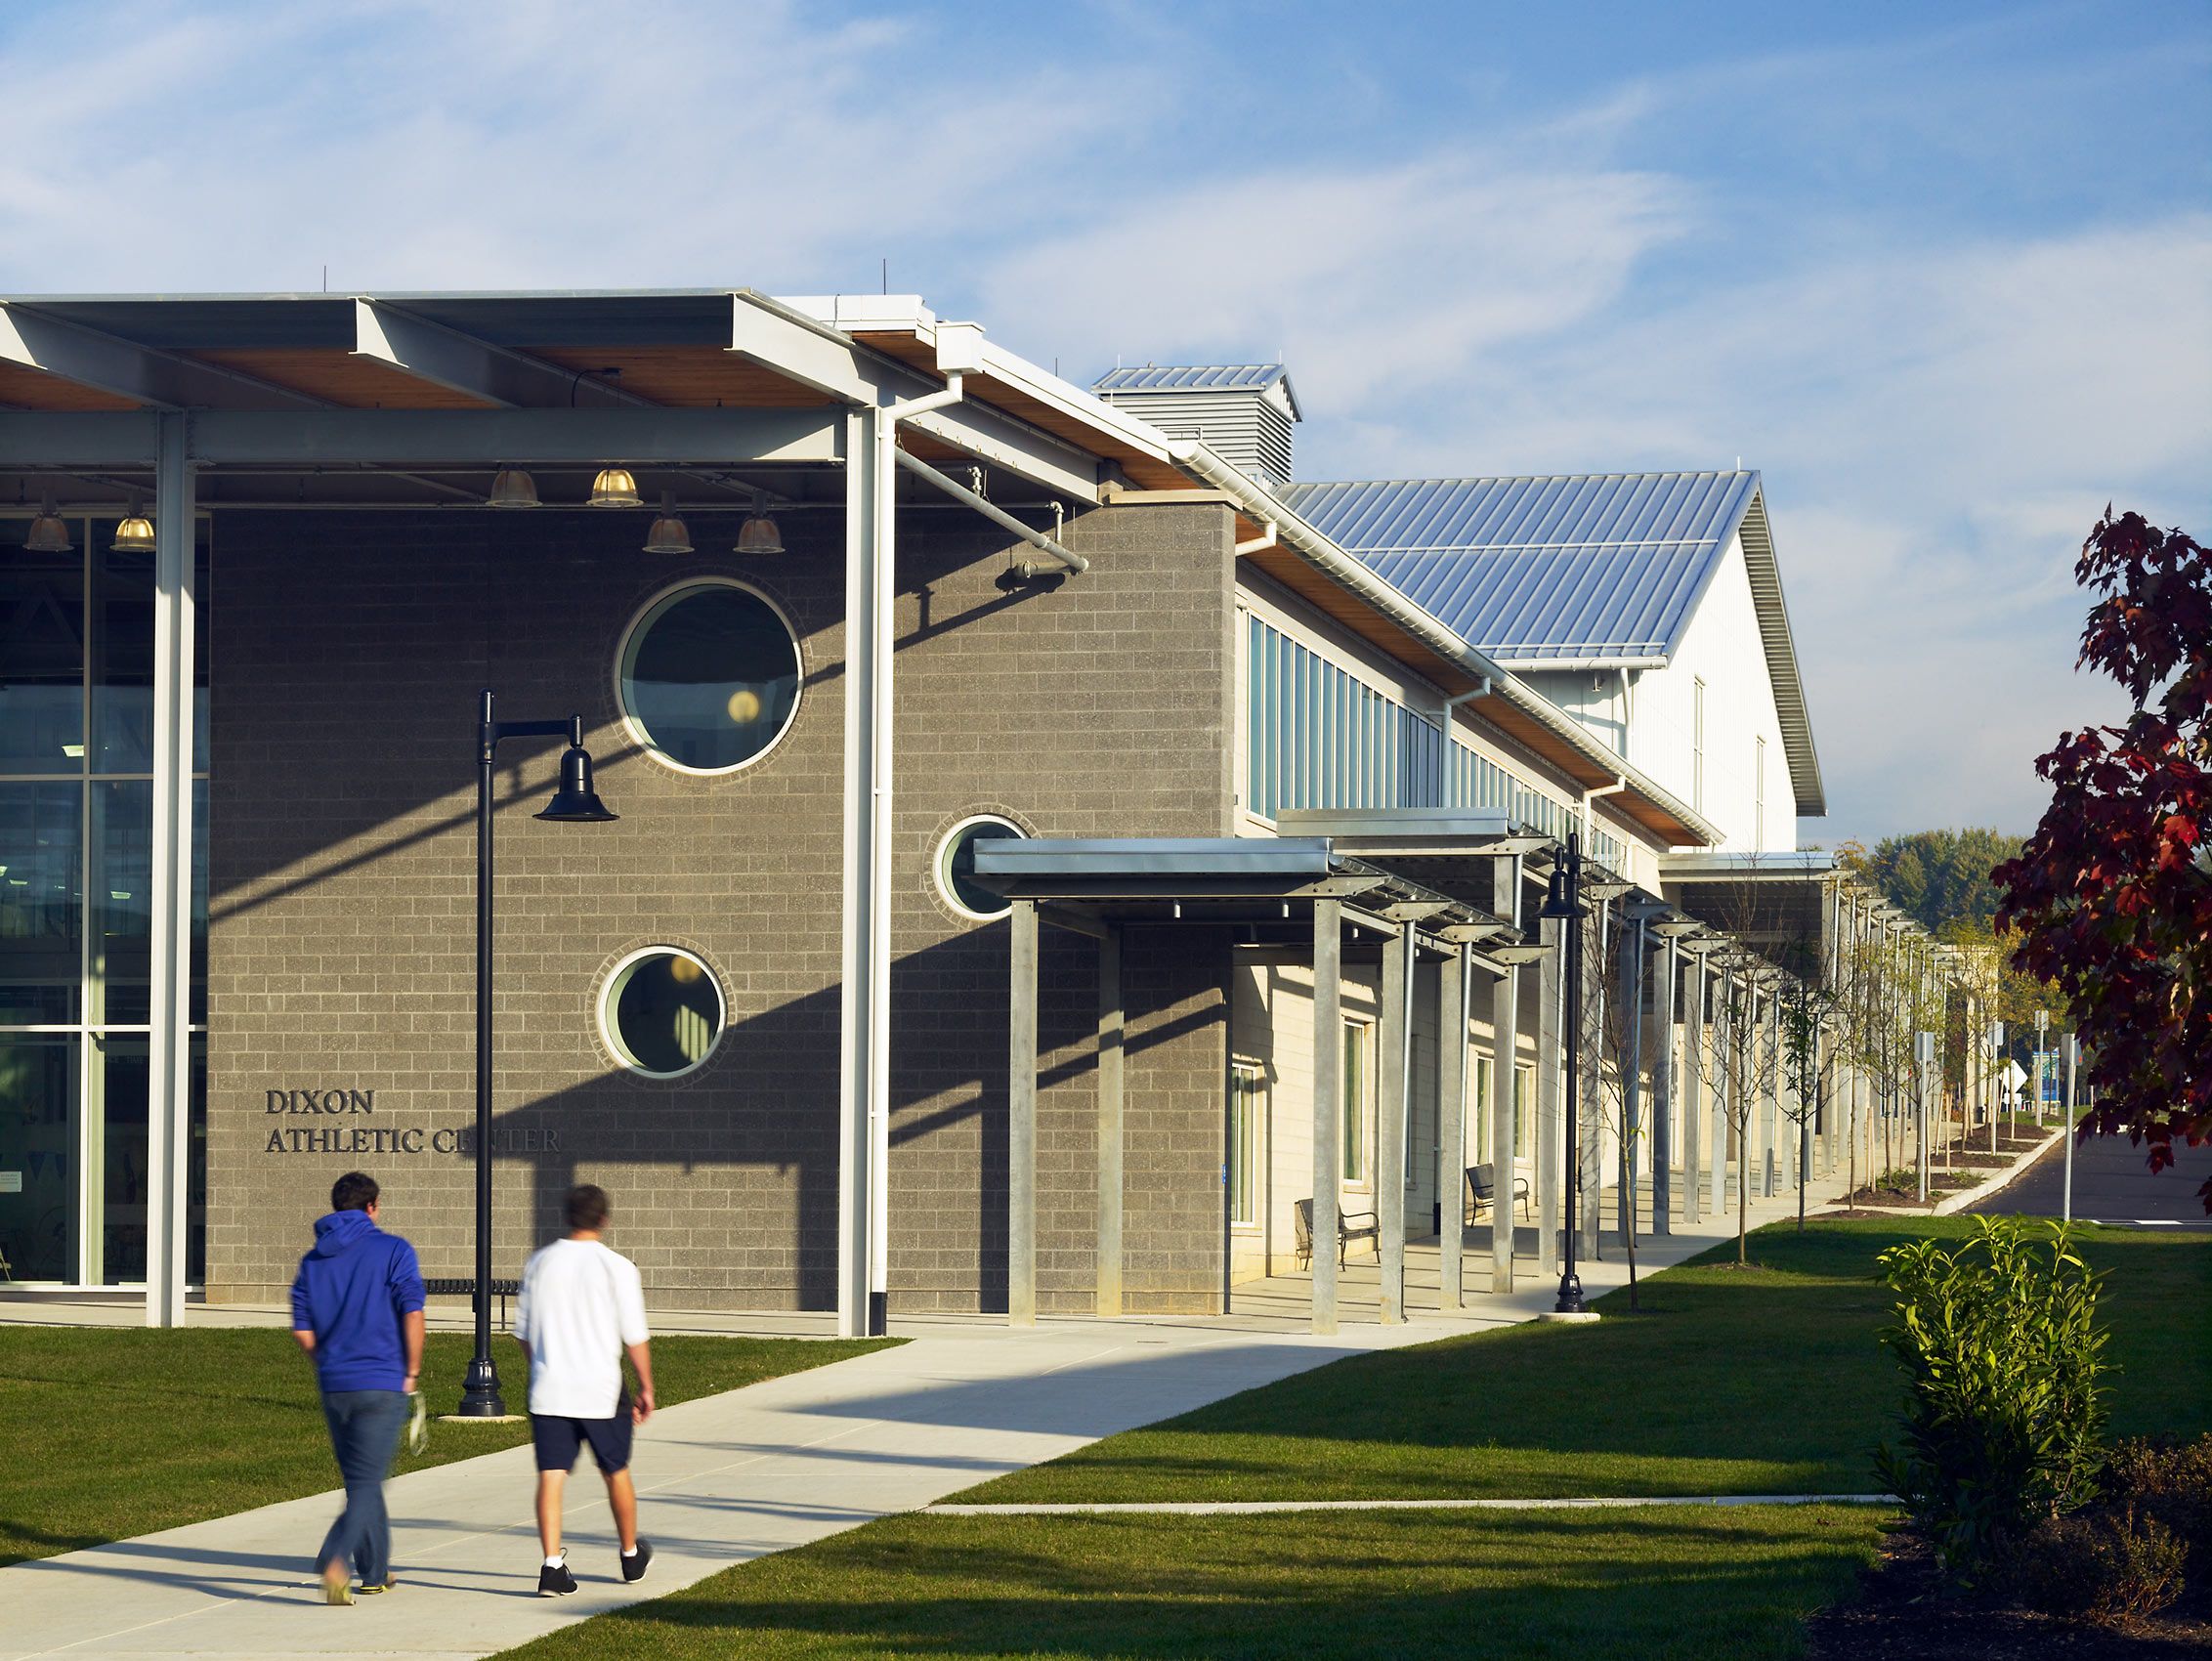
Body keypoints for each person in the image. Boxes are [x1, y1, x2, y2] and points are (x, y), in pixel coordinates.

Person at [290, 1171, 426, 1605]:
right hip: (382, 1381)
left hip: (336, 1384)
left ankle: (374, 1572)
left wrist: (328, 1362)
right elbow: (412, 1312)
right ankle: (334, 1559)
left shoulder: (313, 1261)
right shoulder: (394, 1250)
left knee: (360, 1481)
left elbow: (303, 1330)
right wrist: (412, 1370)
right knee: (368, 1481)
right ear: (373, 1207)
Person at [515, 1182, 655, 1596]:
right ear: (603, 1219)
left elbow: (523, 1333)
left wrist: (540, 1366)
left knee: (551, 1474)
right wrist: (646, 1386)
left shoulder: (539, 1263)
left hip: (550, 1388)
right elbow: (634, 1336)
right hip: (601, 1389)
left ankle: (551, 1566)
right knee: (615, 1470)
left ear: (567, 1216)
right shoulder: (617, 1267)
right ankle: (630, 1555)